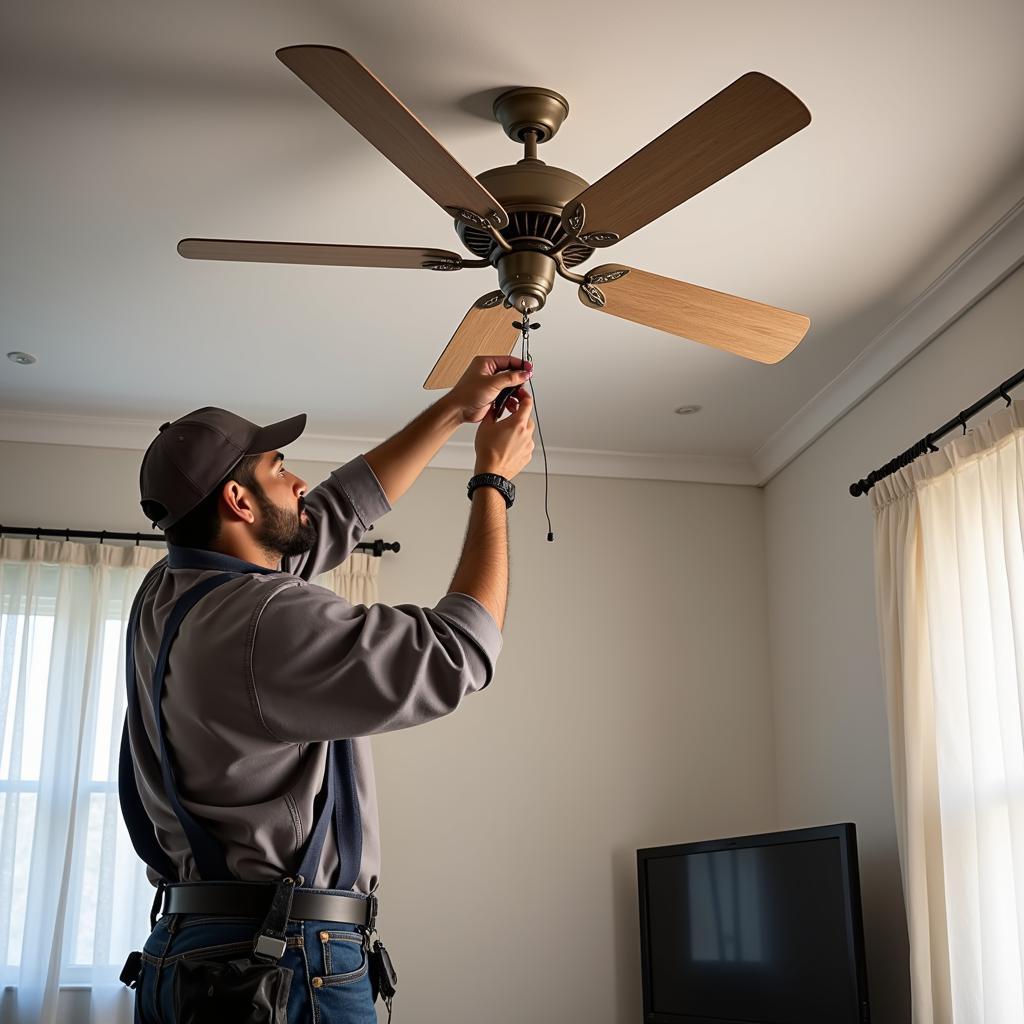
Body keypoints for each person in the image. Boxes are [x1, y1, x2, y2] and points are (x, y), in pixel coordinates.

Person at [118, 355, 535, 1023]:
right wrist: (493, 482)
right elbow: (460, 652)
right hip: (280, 965)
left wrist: (458, 407)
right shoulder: (262, 620)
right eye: (279, 469)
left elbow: (337, 511)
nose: (299, 481)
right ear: (238, 502)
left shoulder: (171, 594)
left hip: (189, 953)